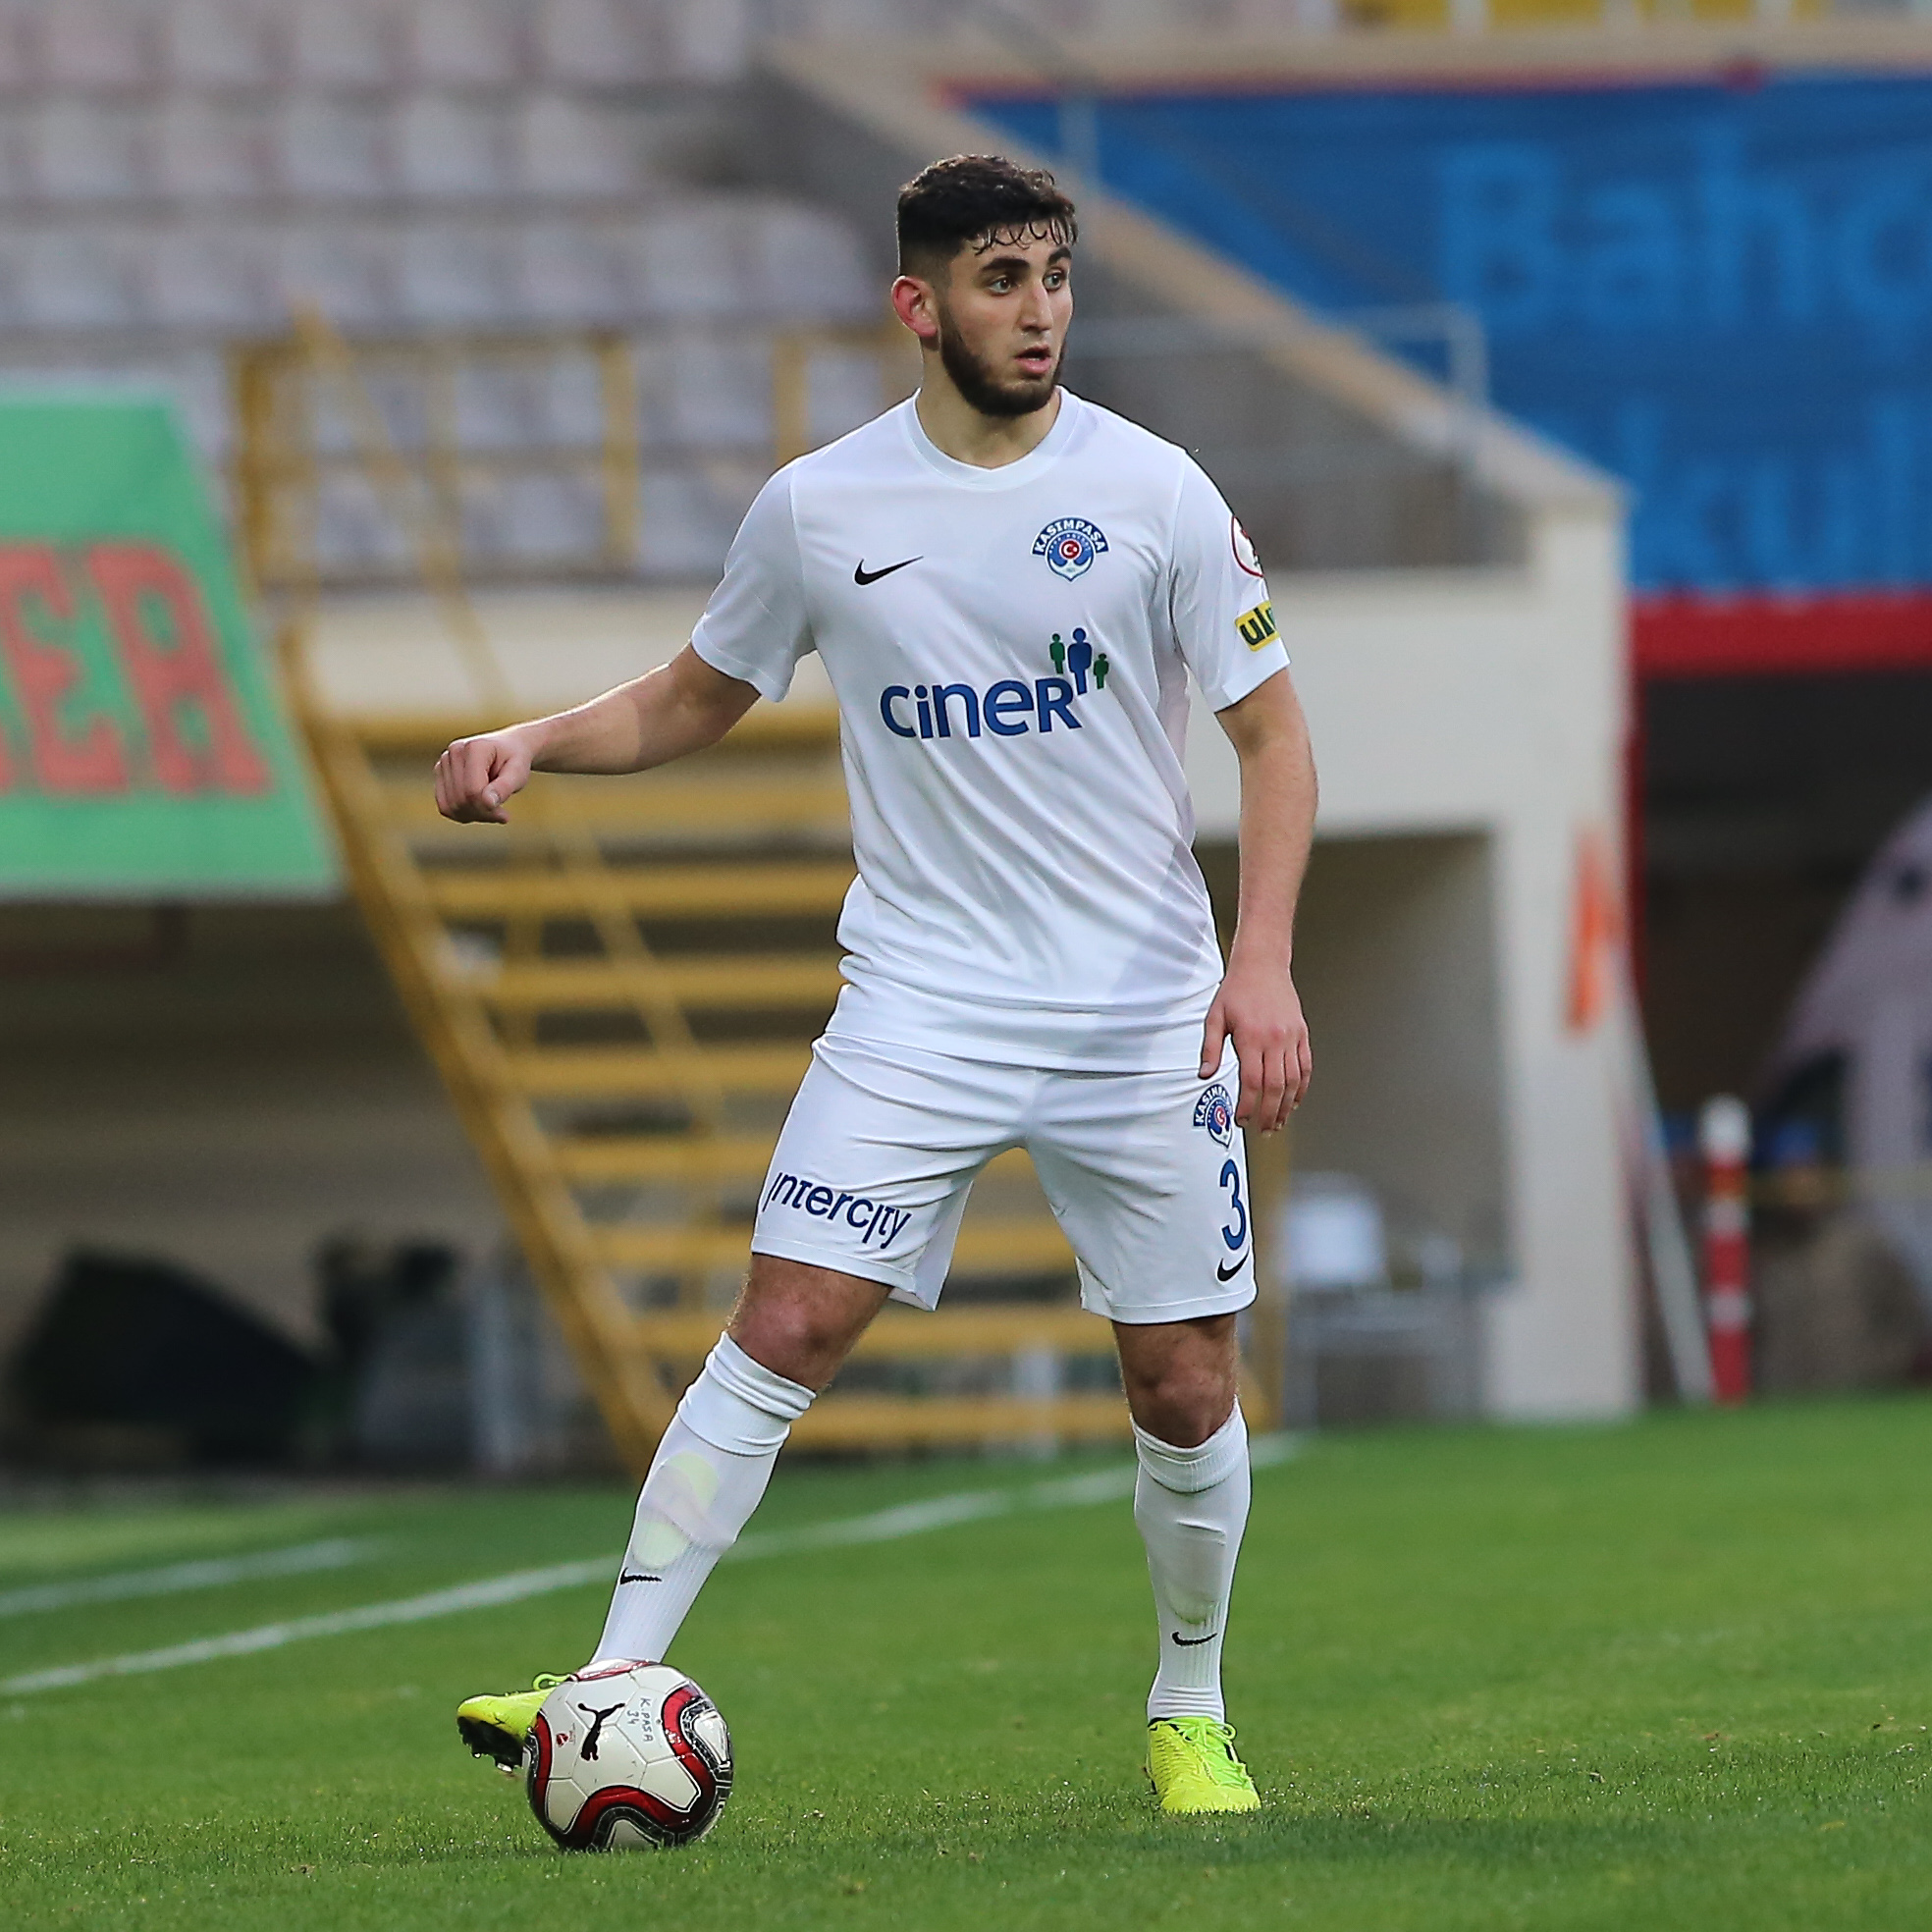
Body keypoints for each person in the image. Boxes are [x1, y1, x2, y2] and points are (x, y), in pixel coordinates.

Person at [436, 154, 1316, 1817]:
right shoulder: (820, 508)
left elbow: (1274, 741)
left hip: (1140, 1010)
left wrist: (1259, 961)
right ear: (919, 305)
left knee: (1184, 1381)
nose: (1040, 311)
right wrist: (536, 740)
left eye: (1055, 276)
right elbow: (698, 693)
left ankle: (1190, 1709)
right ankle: (611, 1676)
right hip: (922, 1003)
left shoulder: (1157, 493)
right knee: (785, 1320)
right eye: (1002, 280)